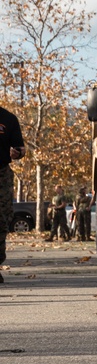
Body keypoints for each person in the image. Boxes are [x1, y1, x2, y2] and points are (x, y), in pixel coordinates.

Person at [0, 105, 25, 282]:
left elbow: (20, 148)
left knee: (1, 220)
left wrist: (18, 153)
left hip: (1, 174)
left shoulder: (8, 119)